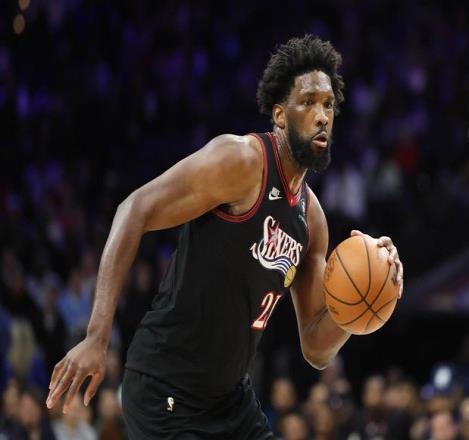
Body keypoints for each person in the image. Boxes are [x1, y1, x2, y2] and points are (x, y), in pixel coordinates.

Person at [45, 34, 404, 439]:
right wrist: (97, 337)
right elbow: (134, 208)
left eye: (328, 105)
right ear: (280, 115)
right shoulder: (242, 162)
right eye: (308, 102)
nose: (322, 116)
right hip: (165, 389)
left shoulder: (312, 220)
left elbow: (316, 348)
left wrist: (365, 302)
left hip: (229, 401)